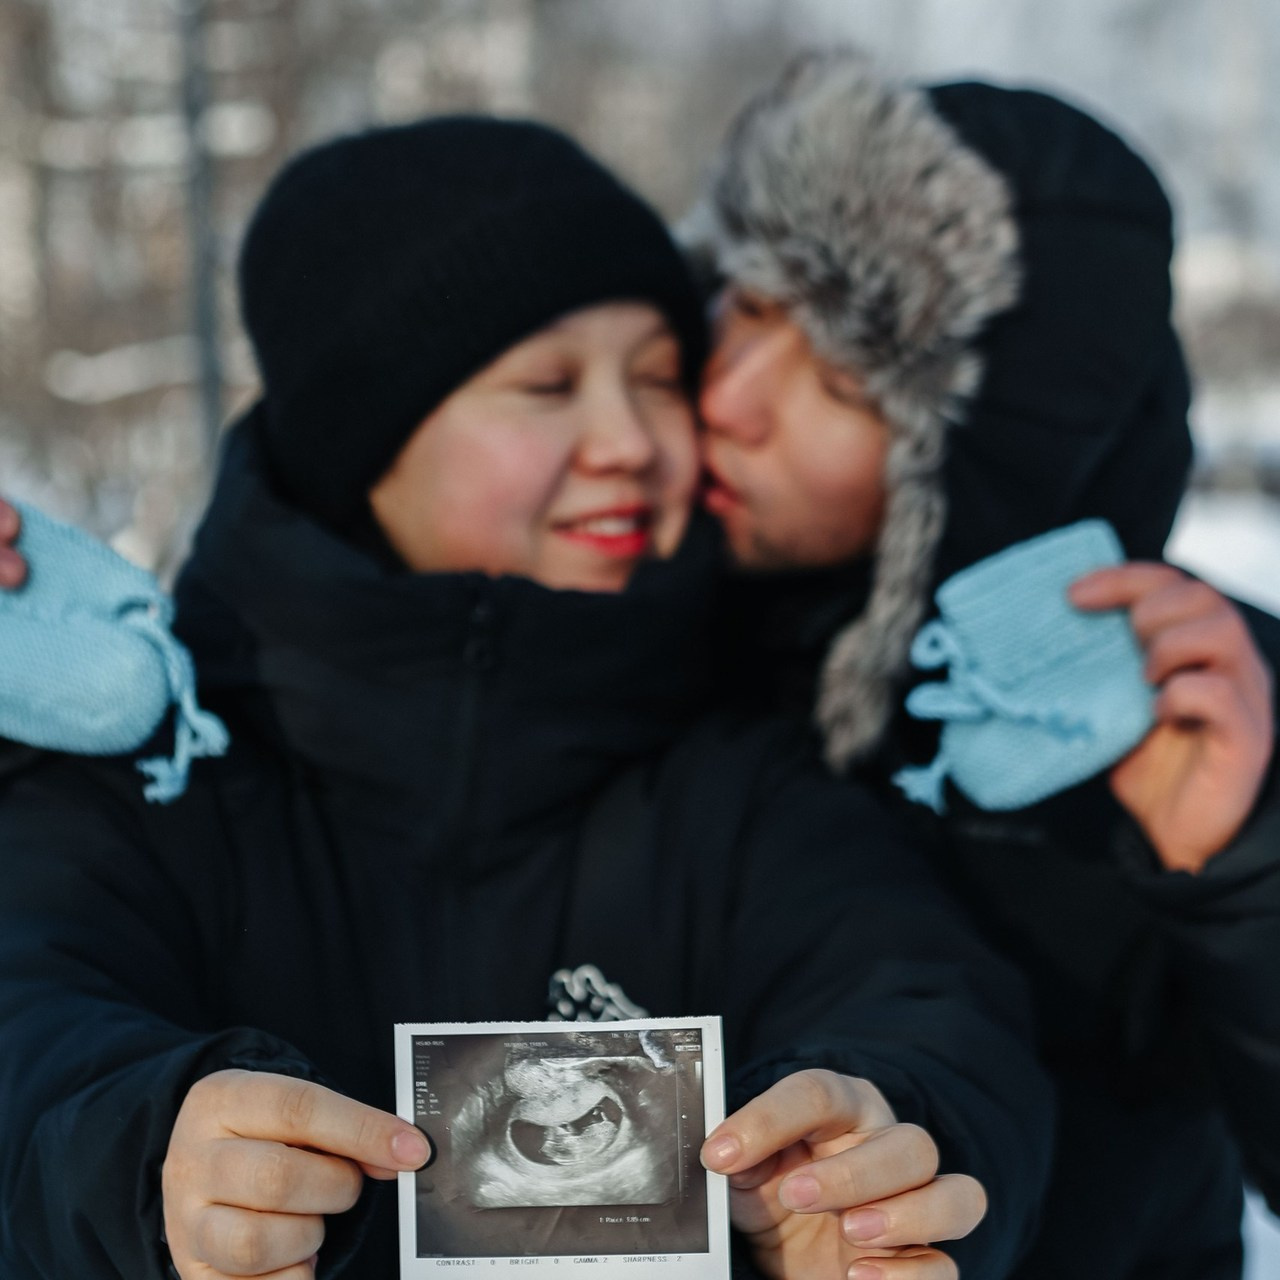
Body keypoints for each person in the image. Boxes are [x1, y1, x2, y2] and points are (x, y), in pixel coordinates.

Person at [0, 117, 1051, 1280]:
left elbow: (931, 1006)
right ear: (364, 444)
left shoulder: (741, 772)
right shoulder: (152, 767)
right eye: (545, 383)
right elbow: (29, 1029)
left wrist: (877, 1148)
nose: (630, 441)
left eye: (658, 377)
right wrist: (142, 1166)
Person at [681, 50, 1279, 1279]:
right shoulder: (644, 632)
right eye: (743, 307)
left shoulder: (1204, 703)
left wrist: (1241, 874)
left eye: (844, 382)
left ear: (969, 469)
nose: (729, 397)